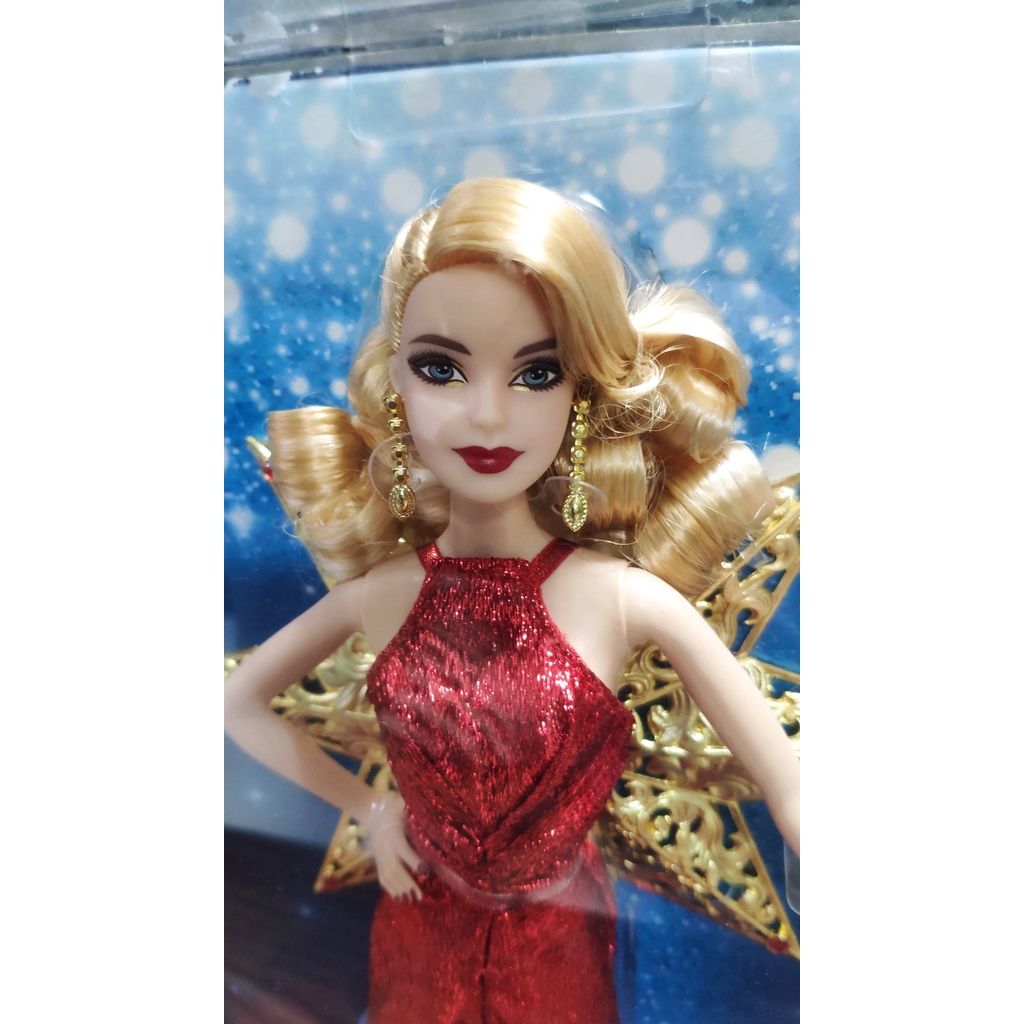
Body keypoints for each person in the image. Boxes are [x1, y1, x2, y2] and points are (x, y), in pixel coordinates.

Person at [224, 177, 800, 1023]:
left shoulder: (620, 598)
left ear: (579, 394)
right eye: (441, 369)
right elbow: (236, 703)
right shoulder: (384, 595)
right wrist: (370, 810)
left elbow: (789, 784)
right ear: (396, 382)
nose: (487, 414)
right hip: (417, 925)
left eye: (537, 372)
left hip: (559, 941)